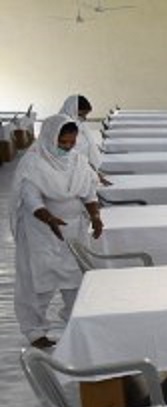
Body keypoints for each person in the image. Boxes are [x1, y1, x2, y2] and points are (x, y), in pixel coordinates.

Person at [11, 114, 102, 348]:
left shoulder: (78, 161)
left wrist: (95, 215)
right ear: (51, 138)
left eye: (72, 143)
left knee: (75, 280)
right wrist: (49, 218)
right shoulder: (34, 164)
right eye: (63, 143)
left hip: (73, 231)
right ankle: (35, 331)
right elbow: (31, 199)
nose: (68, 147)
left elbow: (88, 192)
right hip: (41, 231)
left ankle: (75, 321)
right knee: (39, 281)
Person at [58, 95, 109, 185]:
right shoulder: (61, 129)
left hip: (84, 171)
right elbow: (69, 156)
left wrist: (93, 170)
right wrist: (92, 172)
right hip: (69, 176)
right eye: (81, 115)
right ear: (71, 111)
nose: (84, 118)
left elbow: (85, 149)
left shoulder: (80, 125)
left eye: (86, 115)